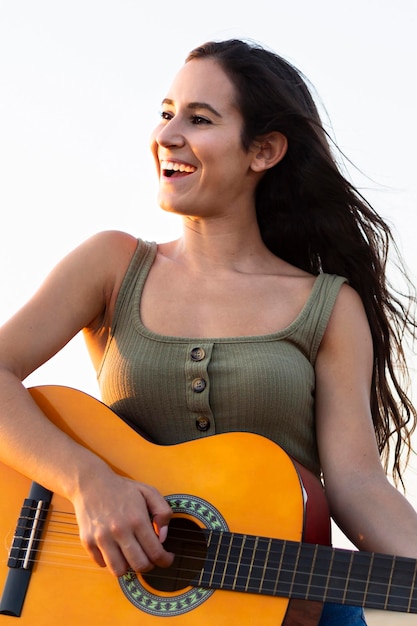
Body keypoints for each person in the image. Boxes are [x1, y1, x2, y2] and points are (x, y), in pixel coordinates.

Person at [0, 38, 416, 625]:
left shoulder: (328, 305)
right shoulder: (112, 266)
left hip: (296, 608)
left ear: (264, 151)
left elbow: (356, 483)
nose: (167, 136)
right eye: (167, 112)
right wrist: (87, 481)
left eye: (199, 119)